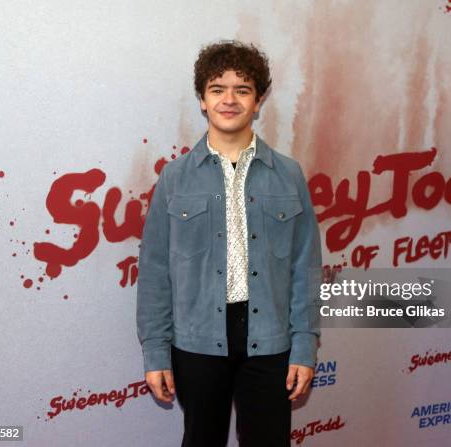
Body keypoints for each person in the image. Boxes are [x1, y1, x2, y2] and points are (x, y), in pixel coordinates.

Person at [136, 39, 322, 447]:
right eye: (217, 89)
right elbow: (153, 273)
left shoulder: (289, 175)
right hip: (197, 340)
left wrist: (305, 345)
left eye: (243, 89)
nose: (229, 99)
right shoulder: (175, 178)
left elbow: (305, 268)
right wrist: (155, 353)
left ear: (258, 102)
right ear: (202, 100)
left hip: (271, 340)